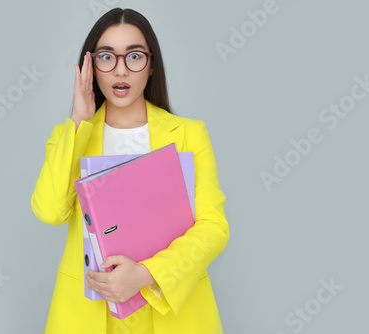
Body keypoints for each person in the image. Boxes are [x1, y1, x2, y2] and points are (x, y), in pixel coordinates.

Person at [30, 8, 229, 334]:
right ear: (91, 66)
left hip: (168, 309)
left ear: (151, 65)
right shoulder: (70, 135)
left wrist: (147, 273)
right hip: (89, 316)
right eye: (107, 57)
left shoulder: (189, 134)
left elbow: (214, 227)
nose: (120, 70)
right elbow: (50, 211)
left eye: (134, 56)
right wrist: (79, 120)